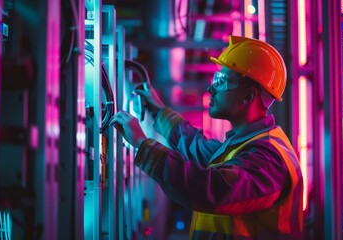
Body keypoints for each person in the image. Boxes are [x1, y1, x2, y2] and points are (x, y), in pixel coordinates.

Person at [109, 35, 303, 240]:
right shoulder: (244, 146)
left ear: (249, 96)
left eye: (221, 81)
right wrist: (158, 110)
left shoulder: (269, 160)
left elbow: (210, 190)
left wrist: (143, 144)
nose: (211, 89)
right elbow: (195, 146)